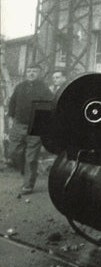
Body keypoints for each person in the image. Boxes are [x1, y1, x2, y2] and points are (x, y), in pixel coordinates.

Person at [7, 64, 52, 194]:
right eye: (29, 71)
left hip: (36, 125)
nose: (31, 73)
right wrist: (11, 120)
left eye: (34, 71)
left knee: (31, 158)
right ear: (26, 73)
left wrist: (44, 125)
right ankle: (26, 171)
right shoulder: (19, 87)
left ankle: (28, 185)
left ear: (39, 73)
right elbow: (12, 104)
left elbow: (50, 106)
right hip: (18, 124)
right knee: (13, 152)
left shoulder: (44, 89)